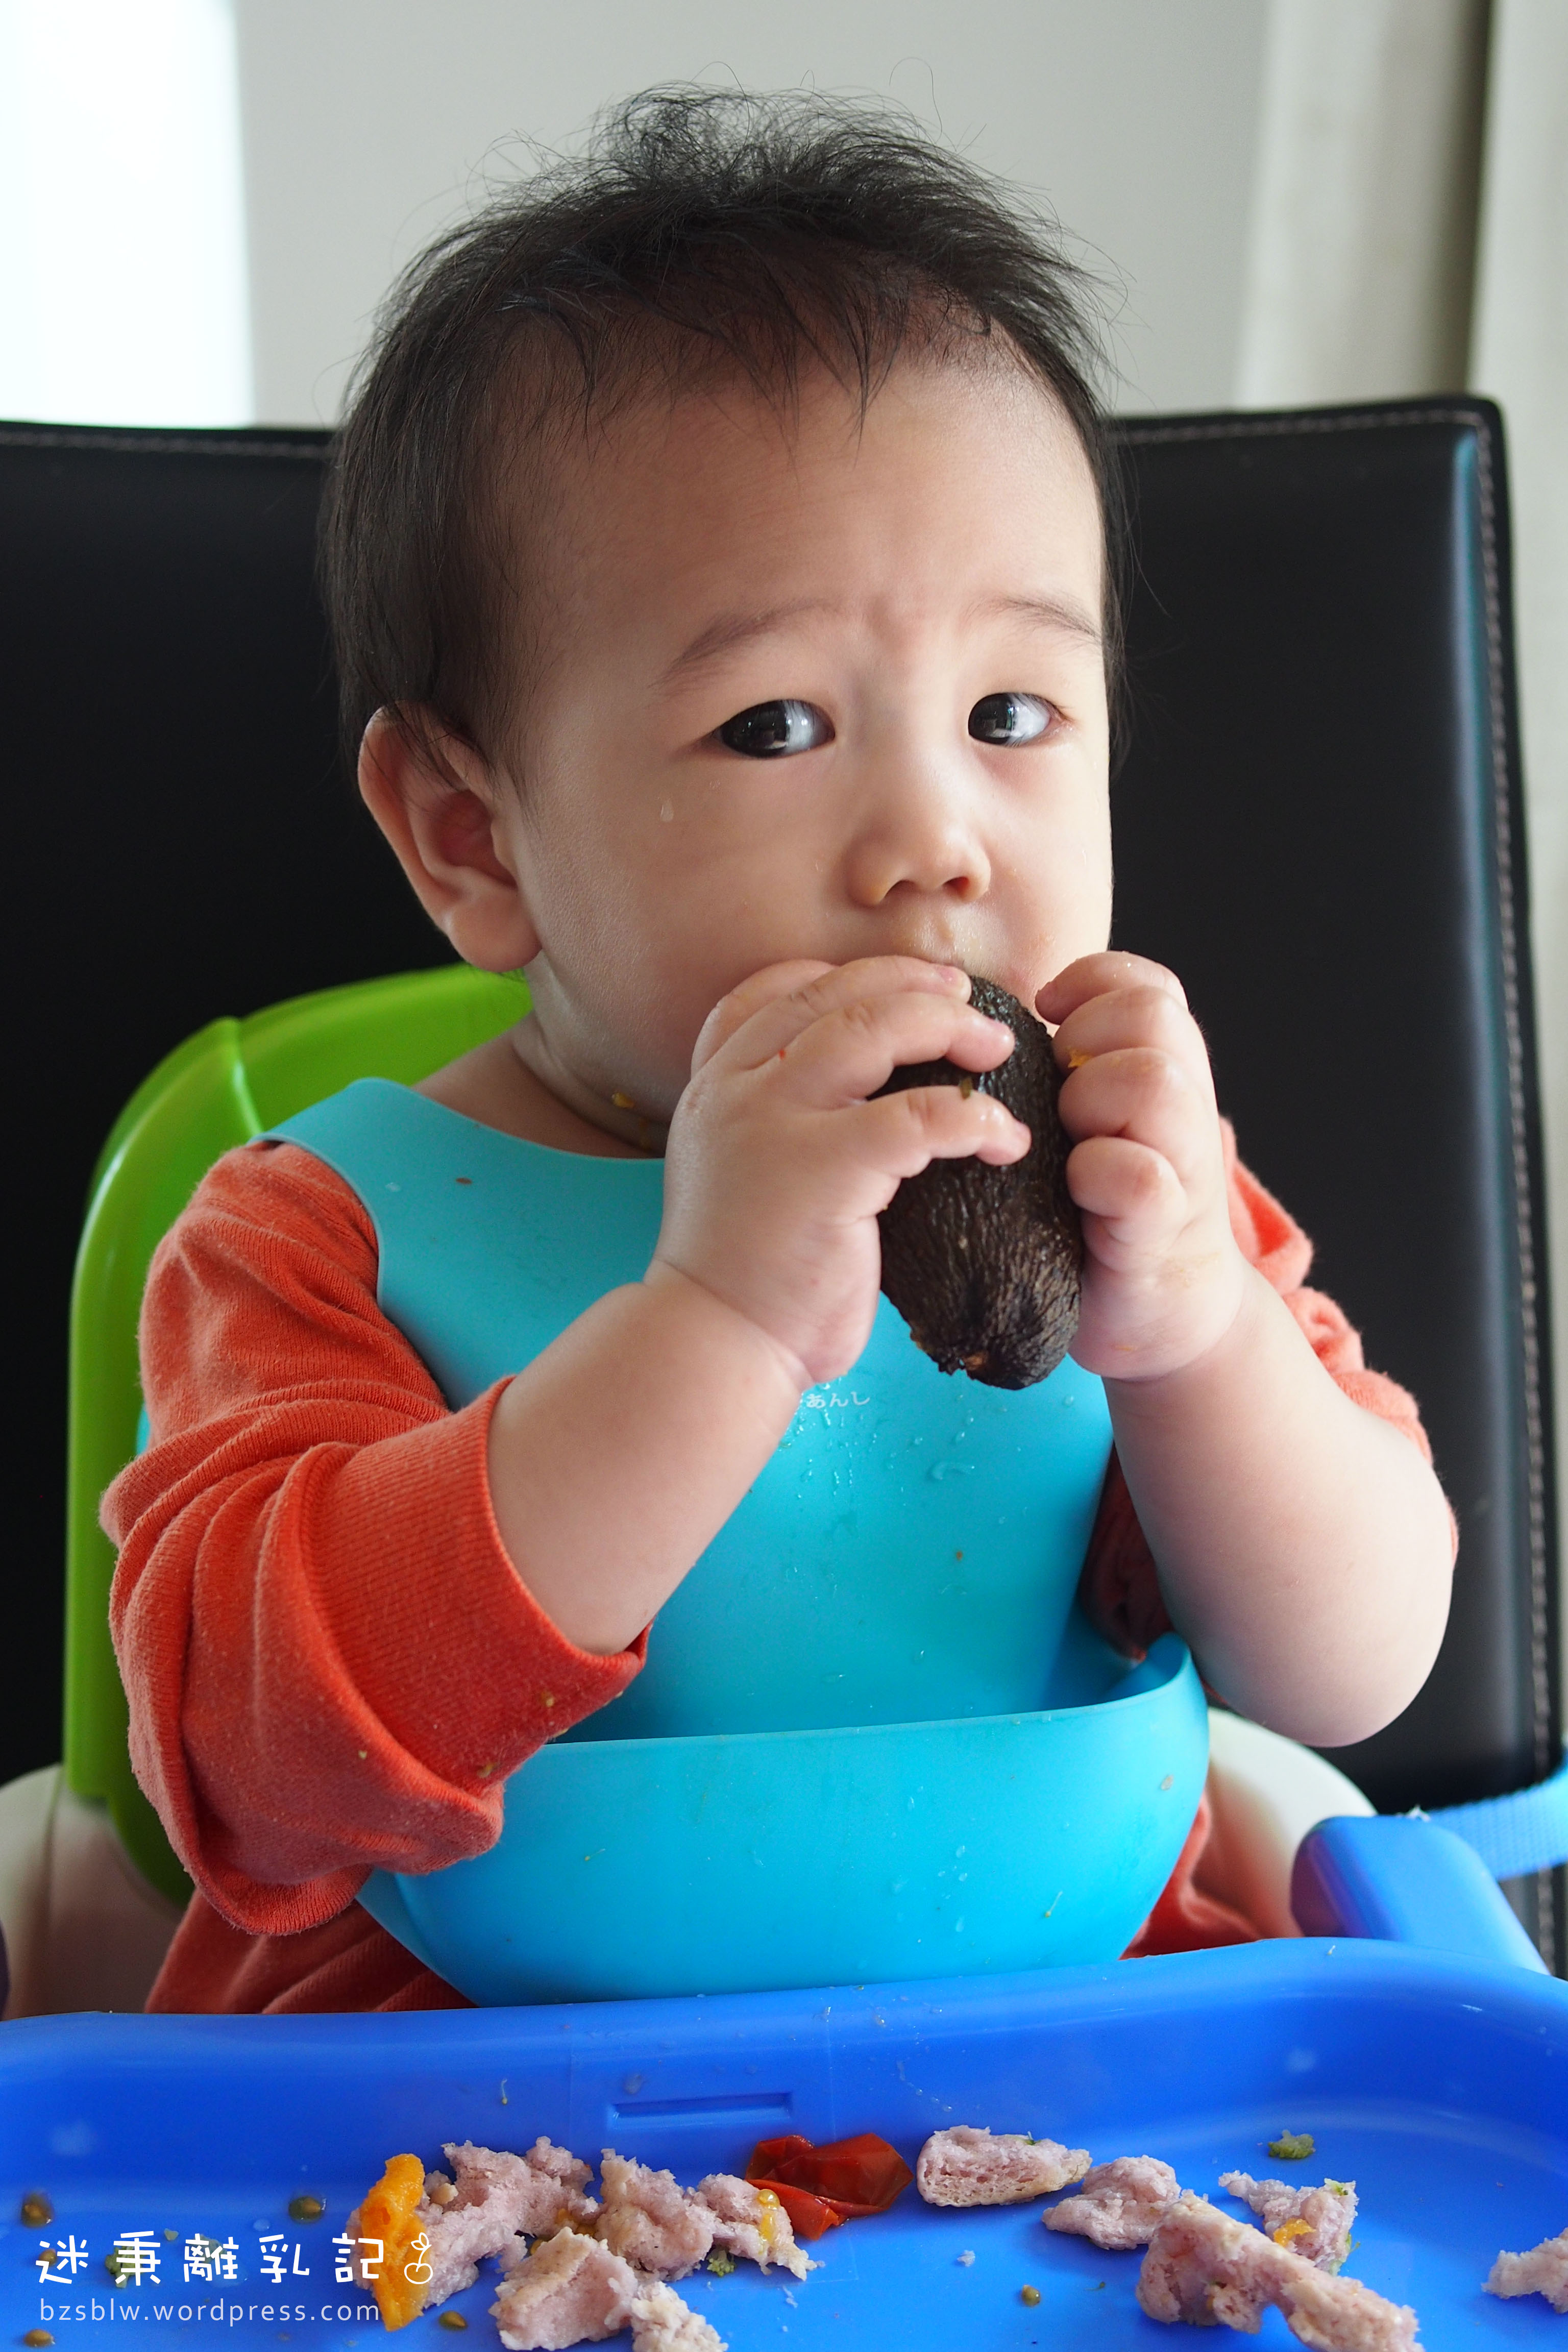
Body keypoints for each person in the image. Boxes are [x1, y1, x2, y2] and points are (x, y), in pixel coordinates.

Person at [103, 90, 1455, 2015]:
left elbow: (1353, 1673)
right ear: (473, 836)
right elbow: (253, 1765)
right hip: (446, 2115)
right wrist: (718, 1326)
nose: (936, 843)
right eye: (774, 728)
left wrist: (1202, 1341)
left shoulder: (1130, 1202)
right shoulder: (320, 1241)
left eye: (1011, 711)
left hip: (1051, 2079)